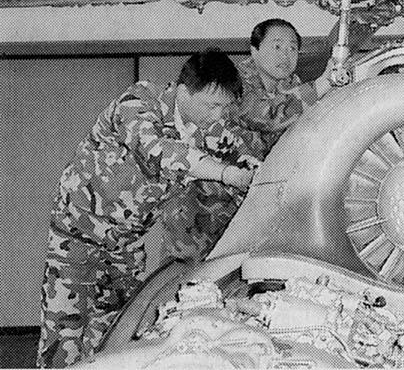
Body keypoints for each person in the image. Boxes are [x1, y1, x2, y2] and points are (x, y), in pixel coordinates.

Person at [37, 50, 255, 368]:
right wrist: (225, 173)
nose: (218, 115)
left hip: (125, 243)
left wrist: (252, 170)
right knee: (65, 331)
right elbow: (157, 151)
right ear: (183, 91)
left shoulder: (207, 128)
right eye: (212, 105)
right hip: (78, 233)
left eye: (224, 107)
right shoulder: (139, 102)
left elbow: (241, 155)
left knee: (116, 333)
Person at [161, 19, 339, 261]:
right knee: (187, 276)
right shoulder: (233, 83)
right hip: (202, 211)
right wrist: (324, 84)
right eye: (277, 46)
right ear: (254, 50)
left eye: (293, 48)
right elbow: (269, 116)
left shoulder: (292, 86)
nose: (286, 55)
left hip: (251, 208)